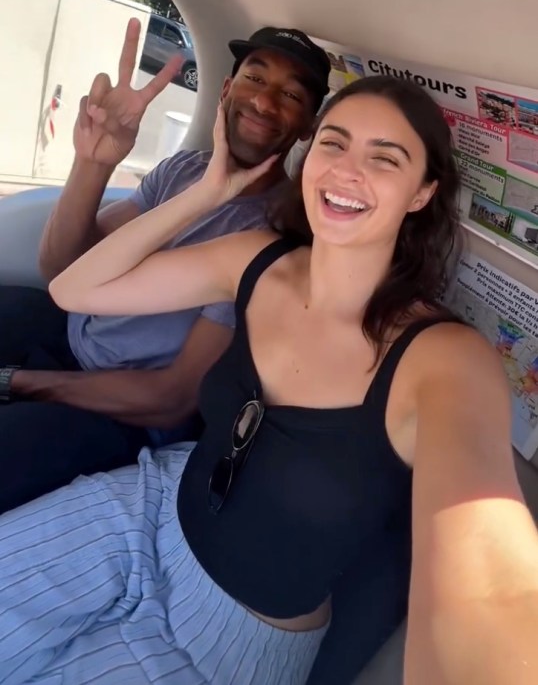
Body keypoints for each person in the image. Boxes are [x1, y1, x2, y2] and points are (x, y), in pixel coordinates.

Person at [1, 75, 537, 685]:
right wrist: (209, 192)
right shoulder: (257, 258)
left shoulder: (445, 358)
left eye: (384, 158)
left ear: (422, 193)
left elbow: (492, 587)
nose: (347, 170)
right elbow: (75, 289)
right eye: (334, 144)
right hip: (144, 508)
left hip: (227, 639)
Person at [0, 21, 330, 511]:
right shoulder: (183, 170)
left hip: (123, 413)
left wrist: (19, 384)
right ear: (225, 90)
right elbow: (64, 269)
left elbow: (173, 397)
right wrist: (93, 163)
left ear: (308, 126)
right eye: (255, 79)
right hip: (66, 338)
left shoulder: (277, 237)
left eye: (291, 95)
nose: (264, 101)